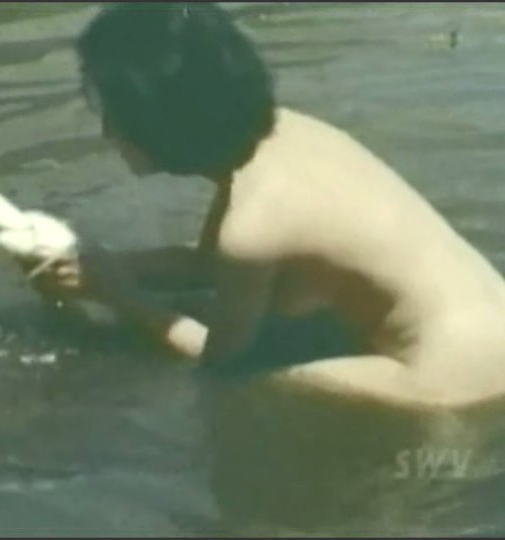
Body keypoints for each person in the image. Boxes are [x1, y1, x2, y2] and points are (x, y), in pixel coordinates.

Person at [27, 2, 505, 408]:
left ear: (159, 123)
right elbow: (209, 265)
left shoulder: (254, 222)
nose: (107, 133)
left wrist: (119, 298)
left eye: (115, 116)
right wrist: (102, 266)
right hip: (490, 331)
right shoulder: (288, 132)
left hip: (458, 383)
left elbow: (219, 358)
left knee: (257, 378)